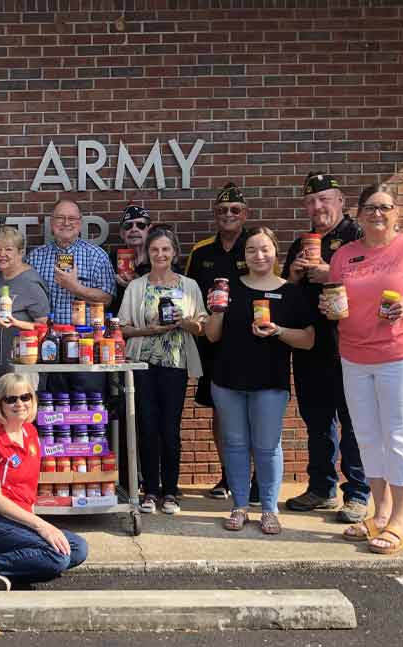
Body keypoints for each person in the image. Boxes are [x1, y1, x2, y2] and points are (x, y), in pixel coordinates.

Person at [327, 184, 403, 555]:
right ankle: (379, 514)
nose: (377, 214)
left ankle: (399, 521)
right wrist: (331, 308)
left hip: (401, 354)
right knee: (366, 435)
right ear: (359, 215)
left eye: (385, 207)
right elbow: (335, 298)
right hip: (354, 354)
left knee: (398, 433)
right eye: (370, 208)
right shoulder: (345, 254)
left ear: (397, 213)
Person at [205, 227, 315, 535]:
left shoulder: (290, 291)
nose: (259, 255)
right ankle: (239, 506)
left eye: (264, 249)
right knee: (235, 445)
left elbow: (308, 340)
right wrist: (215, 311)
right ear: (244, 256)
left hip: (270, 383)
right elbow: (213, 336)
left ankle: (269, 509)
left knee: (267, 447)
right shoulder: (229, 288)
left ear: (275, 252)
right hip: (227, 381)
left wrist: (278, 330)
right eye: (252, 250)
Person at [282, 172, 370, 523]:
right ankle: (321, 487)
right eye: (311, 201)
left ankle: (358, 494)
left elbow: (373, 285)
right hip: (309, 348)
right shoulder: (303, 242)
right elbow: (287, 293)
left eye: (324, 199)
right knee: (317, 423)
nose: (317, 207)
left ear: (341, 201)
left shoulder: (357, 236)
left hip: (348, 346)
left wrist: (330, 274)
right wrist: (294, 274)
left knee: (352, 423)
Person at [0, 373, 88, 591]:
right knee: (57, 557)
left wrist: (35, 525)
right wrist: (42, 527)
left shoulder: (31, 433)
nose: (20, 404)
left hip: (16, 520)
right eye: (11, 399)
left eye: (25, 397)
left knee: (78, 548)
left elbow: (28, 490)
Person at [118, 227, 207, 515]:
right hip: (143, 365)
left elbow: (202, 327)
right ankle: (150, 491)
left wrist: (184, 322)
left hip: (175, 365)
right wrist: (149, 330)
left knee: (170, 428)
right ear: (148, 253)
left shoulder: (189, 286)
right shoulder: (136, 286)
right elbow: (121, 327)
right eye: (155, 250)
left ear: (174, 253)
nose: (160, 255)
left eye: (166, 249)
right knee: (147, 426)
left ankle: (171, 491)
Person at [185, 183, 256, 501]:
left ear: (245, 214)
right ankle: (229, 476)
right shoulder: (201, 252)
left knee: (254, 413)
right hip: (213, 346)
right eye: (222, 210)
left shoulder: (256, 246)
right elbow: (188, 295)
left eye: (235, 210)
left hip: (252, 345)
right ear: (215, 215)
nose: (228, 215)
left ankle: (256, 478)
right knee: (220, 413)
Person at [26, 198, 115, 393]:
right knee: (50, 411)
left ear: (80, 223)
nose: (66, 223)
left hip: (87, 347)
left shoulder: (96, 255)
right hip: (47, 348)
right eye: (60, 218)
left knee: (88, 410)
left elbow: (107, 298)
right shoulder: (35, 257)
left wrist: (75, 287)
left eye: (72, 218)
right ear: (51, 223)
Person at [0, 227, 50, 390]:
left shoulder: (30, 282)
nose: (2, 254)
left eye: (8, 249)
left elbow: (44, 327)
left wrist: (16, 323)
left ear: (20, 253)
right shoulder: (1, 277)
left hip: (21, 369)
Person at [109, 202, 153, 314]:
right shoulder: (111, 259)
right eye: (128, 226)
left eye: (140, 225)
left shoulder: (158, 258)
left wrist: (135, 286)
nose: (134, 229)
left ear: (149, 230)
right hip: (118, 324)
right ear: (122, 233)